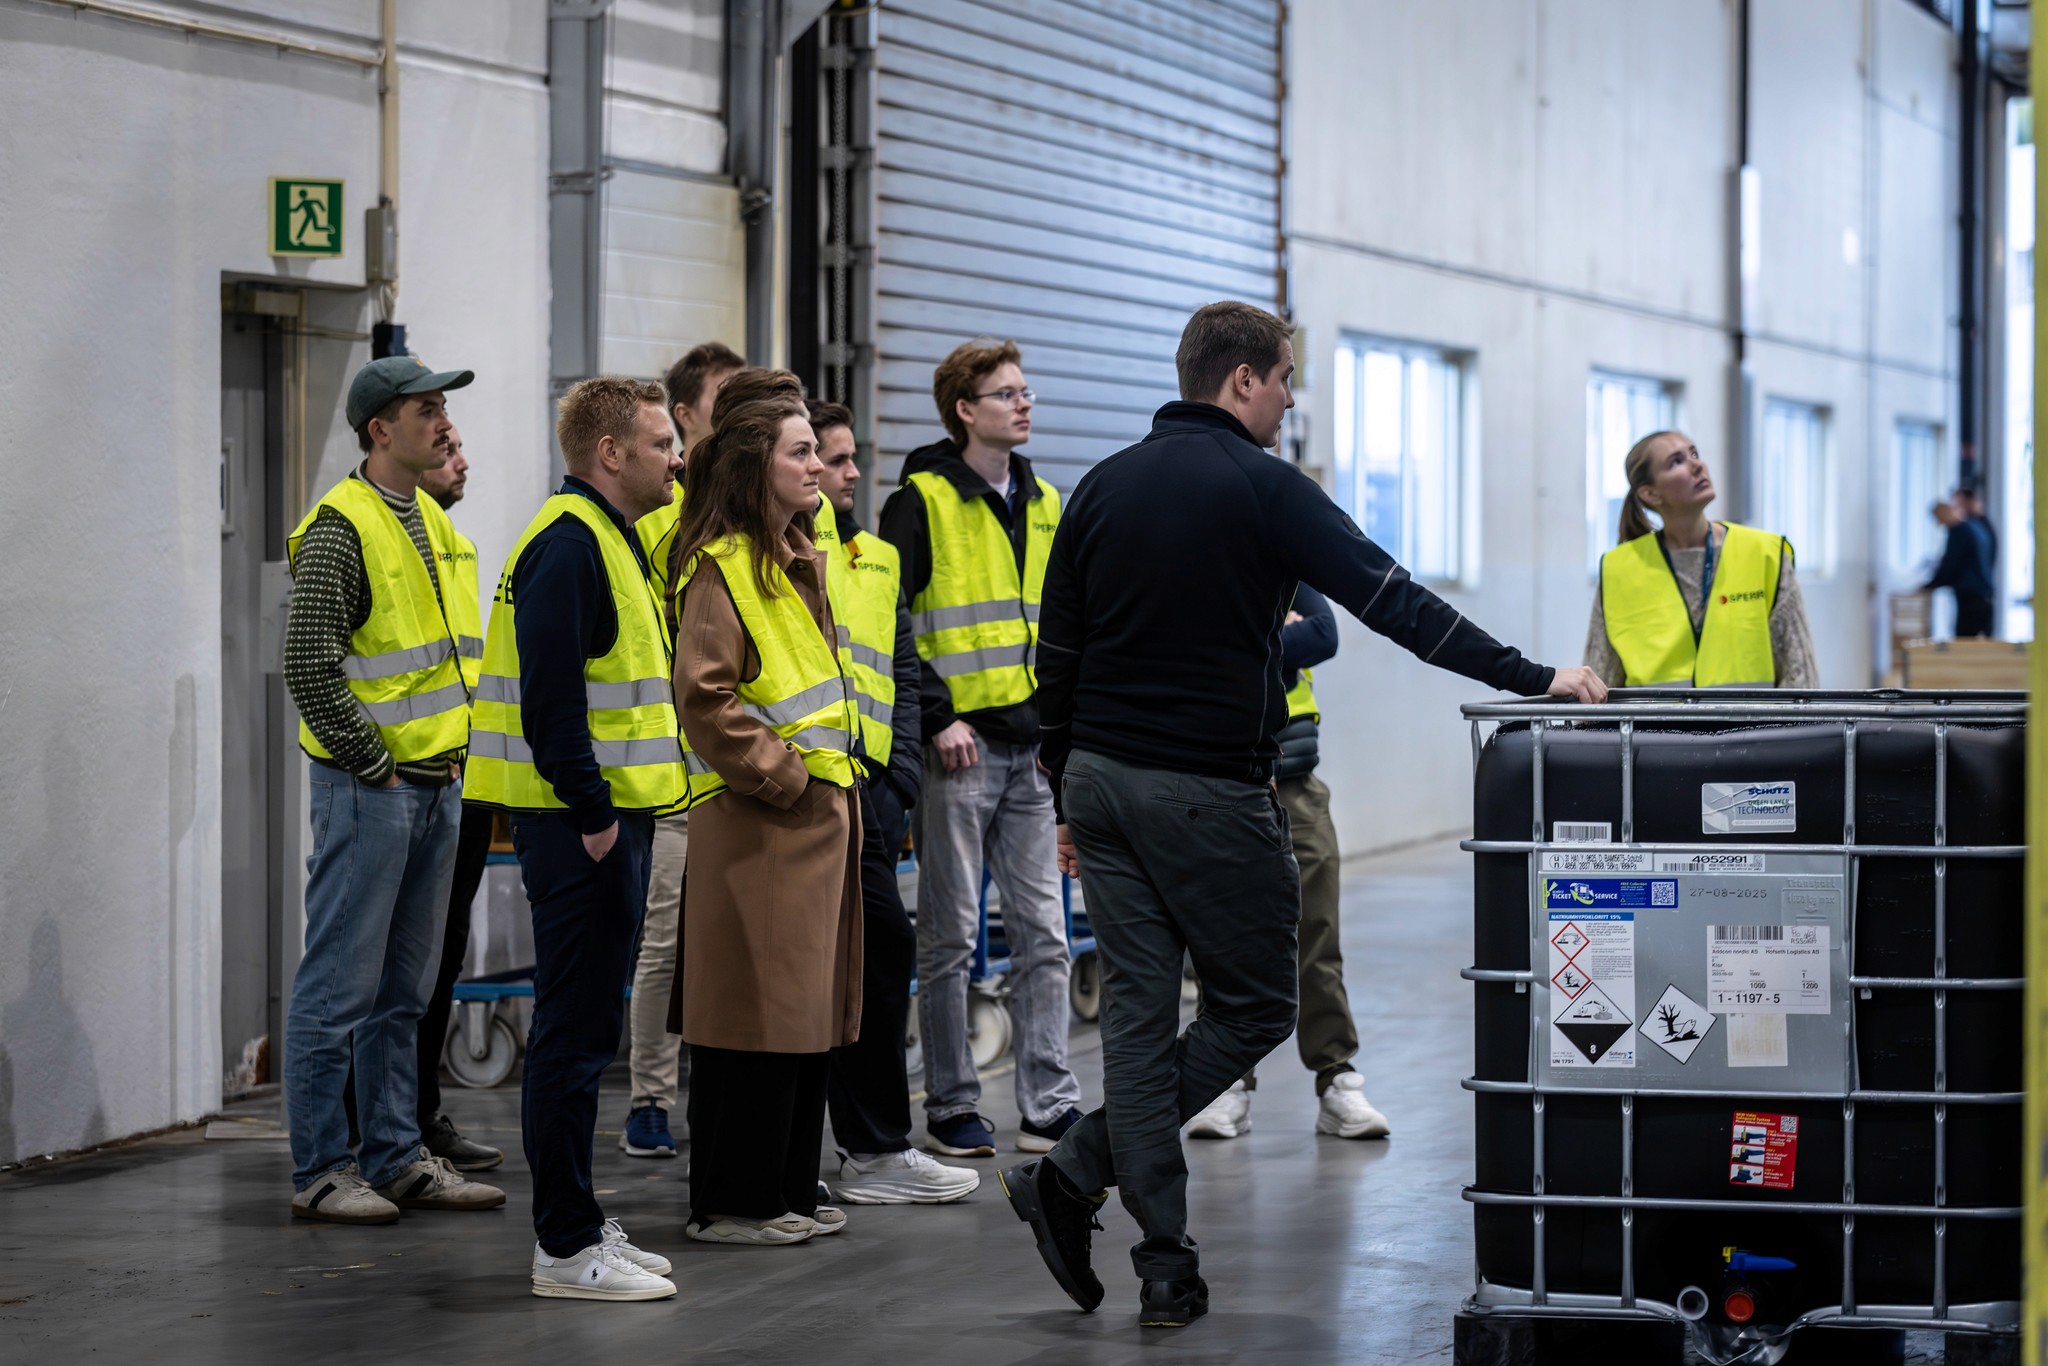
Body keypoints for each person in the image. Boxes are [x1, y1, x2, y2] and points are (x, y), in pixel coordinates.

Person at [999, 301, 1606, 1328]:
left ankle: (1158, 1258)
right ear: (1240, 381)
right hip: (1204, 790)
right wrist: (1529, 675)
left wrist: (1066, 783)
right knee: (1257, 1007)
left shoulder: (1098, 486)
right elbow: (1392, 601)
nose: (1288, 400)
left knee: (1142, 1021)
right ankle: (1075, 1172)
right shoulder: (1264, 485)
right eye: (1284, 379)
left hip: (1098, 780)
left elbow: (1052, 654)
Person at [466, 377, 683, 1302]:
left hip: (602, 822)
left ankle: (583, 1221)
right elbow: (553, 706)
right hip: (580, 829)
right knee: (570, 1037)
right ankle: (562, 1245)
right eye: (663, 440)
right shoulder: (569, 547)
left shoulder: (610, 539)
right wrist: (595, 817)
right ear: (610, 452)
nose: (678, 455)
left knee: (587, 1032)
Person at [281, 355, 506, 1225]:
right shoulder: (343, 526)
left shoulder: (440, 530)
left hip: (439, 784)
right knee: (338, 986)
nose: (442, 423)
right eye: (425, 409)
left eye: (442, 408)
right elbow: (308, 664)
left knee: (403, 992)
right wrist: (371, 762)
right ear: (380, 429)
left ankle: (397, 1154)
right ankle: (322, 1170)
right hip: (370, 789)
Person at [878, 338, 1084, 1159]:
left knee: (1045, 935)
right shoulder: (919, 502)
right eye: (1006, 394)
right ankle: (953, 1103)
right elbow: (886, 622)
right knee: (951, 937)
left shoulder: (1047, 501)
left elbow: (1069, 625)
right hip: (956, 754)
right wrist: (934, 716)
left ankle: (1049, 1102)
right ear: (965, 410)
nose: (1024, 404)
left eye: (1026, 391)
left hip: (1032, 754)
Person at [667, 393, 864, 1245]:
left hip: (812, 823)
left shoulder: (793, 558)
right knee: (755, 1015)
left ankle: (787, 1182)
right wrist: (786, 780)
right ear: (756, 469)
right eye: (800, 453)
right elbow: (704, 697)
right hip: (763, 822)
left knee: (806, 1016)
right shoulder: (721, 566)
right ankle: (733, 1202)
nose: (817, 466)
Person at [809, 399, 981, 1205]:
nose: (851, 474)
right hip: (808, 798)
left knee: (881, 958)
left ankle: (872, 1147)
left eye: (850, 459)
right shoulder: (778, 554)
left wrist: (900, 782)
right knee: (853, 964)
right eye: (836, 460)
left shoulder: (874, 558)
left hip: (875, 798)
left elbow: (902, 670)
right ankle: (860, 1150)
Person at [341, 427, 502, 1171]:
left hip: (456, 781)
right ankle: (359, 1129)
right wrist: (380, 764)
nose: (461, 459)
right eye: (447, 448)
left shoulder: (452, 548)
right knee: (376, 965)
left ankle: (414, 1117)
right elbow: (318, 668)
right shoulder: (363, 534)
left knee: (435, 959)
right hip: (395, 784)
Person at [1184, 582, 1388, 1143]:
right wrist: (1277, 634)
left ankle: (1336, 1078)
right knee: (1221, 939)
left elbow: (1322, 634)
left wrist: (1232, 642)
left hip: (1294, 781)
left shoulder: (1286, 562)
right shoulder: (1191, 561)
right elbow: (1180, 651)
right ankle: (1225, 1083)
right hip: (1219, 778)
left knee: (1317, 931)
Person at [616, 340, 744, 1163]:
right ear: (687, 416)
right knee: (664, 937)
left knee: (736, 935)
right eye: (725, 402)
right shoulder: (655, 519)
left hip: (739, 762)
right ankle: (650, 1098)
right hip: (671, 766)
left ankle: (725, 1089)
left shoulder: (759, 509)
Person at [1584, 430, 1818, 687]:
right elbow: (1599, 683)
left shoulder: (1766, 554)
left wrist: (1795, 728)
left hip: (1753, 728)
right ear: (1650, 494)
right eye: (1676, 461)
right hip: (1651, 728)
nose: (1697, 465)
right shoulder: (1619, 569)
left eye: (1694, 453)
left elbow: (1800, 675)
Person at [1927, 485, 1997, 638]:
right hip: (1985, 595)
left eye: (1939, 520)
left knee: (1964, 645)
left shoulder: (1960, 532)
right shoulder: (1977, 527)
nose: (1940, 525)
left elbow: (1950, 565)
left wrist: (1929, 586)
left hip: (1971, 599)